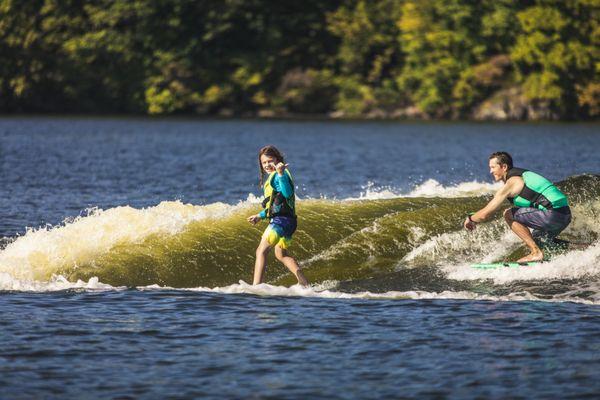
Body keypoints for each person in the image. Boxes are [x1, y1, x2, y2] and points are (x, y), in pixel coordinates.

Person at [464, 151, 571, 262]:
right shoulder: (521, 175)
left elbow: (484, 215)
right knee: (538, 239)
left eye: (493, 167)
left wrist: (471, 218)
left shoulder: (512, 182)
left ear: (504, 167)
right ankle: (577, 249)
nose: (490, 171)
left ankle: (535, 252)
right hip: (565, 215)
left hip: (551, 215)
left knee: (508, 214)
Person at [247, 145, 309, 286]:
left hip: (281, 221)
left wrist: (280, 174)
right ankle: (305, 285)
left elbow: (287, 194)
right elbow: (275, 205)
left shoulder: (281, 174)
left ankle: (257, 286)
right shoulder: (274, 177)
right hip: (289, 221)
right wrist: (260, 216)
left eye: (270, 161)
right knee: (281, 254)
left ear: (278, 160)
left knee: (261, 250)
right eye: (264, 163)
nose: (267, 165)